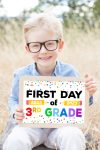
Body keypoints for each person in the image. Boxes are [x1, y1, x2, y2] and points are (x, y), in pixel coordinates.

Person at [3, 13, 96, 150]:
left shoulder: (70, 72)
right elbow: (13, 99)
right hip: (30, 127)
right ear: (28, 49)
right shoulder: (21, 74)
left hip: (59, 128)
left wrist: (89, 93)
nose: (43, 51)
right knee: (15, 139)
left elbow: (80, 104)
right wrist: (15, 110)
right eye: (36, 46)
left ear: (60, 45)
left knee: (74, 134)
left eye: (50, 44)